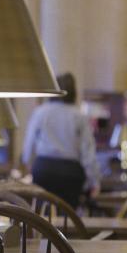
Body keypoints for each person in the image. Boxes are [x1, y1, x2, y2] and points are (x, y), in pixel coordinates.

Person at [22, 73, 100, 209]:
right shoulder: (79, 116)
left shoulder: (40, 112)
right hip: (70, 173)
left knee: (41, 215)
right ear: (74, 91)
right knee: (68, 214)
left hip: (43, 169)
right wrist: (94, 181)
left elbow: (29, 147)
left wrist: (29, 166)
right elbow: (88, 152)